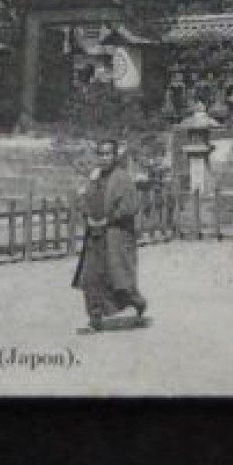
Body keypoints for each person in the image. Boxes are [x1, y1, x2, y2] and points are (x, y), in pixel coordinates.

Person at [72, 138, 148, 330]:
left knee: (120, 281)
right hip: (95, 236)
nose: (104, 158)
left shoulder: (122, 178)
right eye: (101, 154)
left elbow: (130, 206)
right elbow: (83, 200)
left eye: (108, 154)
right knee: (90, 278)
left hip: (115, 236)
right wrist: (87, 215)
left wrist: (110, 218)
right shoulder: (94, 177)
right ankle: (95, 319)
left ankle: (138, 304)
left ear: (115, 156)